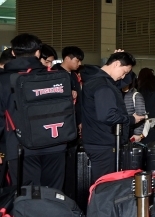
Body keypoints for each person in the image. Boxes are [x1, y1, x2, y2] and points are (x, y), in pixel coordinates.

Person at [0, 34, 73, 189]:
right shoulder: (55, 77)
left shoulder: (4, 80)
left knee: (25, 198)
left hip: (20, 147)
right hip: (56, 143)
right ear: (38, 53)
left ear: (13, 52)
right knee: (52, 195)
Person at [80, 50, 144, 183]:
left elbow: (125, 80)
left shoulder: (98, 79)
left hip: (96, 139)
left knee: (103, 182)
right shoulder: (103, 85)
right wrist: (132, 119)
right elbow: (108, 116)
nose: (123, 76)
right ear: (116, 64)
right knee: (104, 184)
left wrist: (125, 63)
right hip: (103, 142)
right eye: (124, 72)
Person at [121, 72, 147, 142]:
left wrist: (137, 134)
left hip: (130, 131)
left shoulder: (136, 95)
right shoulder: (116, 93)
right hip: (118, 130)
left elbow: (140, 115)